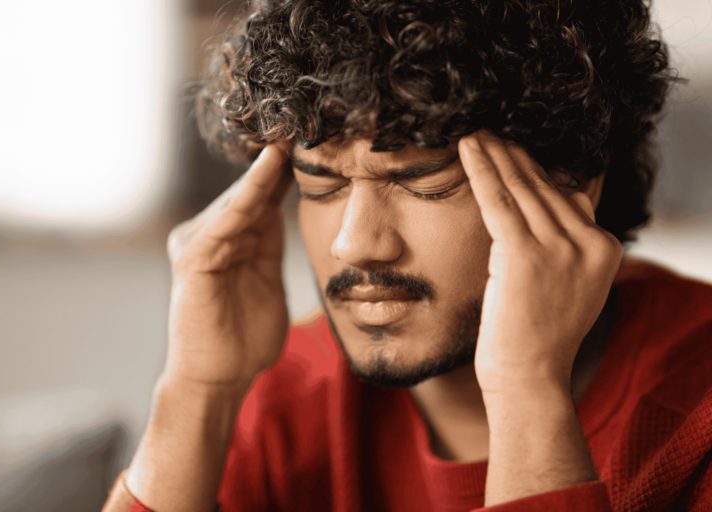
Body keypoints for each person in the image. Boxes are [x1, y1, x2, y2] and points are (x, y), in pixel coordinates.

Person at [103, 0, 712, 510]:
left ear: (572, 182)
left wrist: (527, 390)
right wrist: (196, 391)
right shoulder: (285, 395)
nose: (355, 243)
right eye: (321, 184)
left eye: (424, 182)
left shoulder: (696, 412)